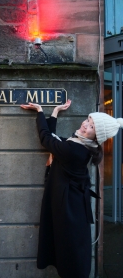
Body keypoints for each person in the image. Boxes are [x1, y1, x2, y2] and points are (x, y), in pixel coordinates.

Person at [20, 100, 123, 278]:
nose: (85, 125)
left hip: (67, 206)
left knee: (68, 245)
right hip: (70, 202)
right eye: (87, 120)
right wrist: (54, 113)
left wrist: (40, 110)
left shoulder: (75, 149)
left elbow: (46, 139)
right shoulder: (81, 144)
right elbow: (55, 140)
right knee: (68, 244)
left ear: (96, 136)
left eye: (91, 126)